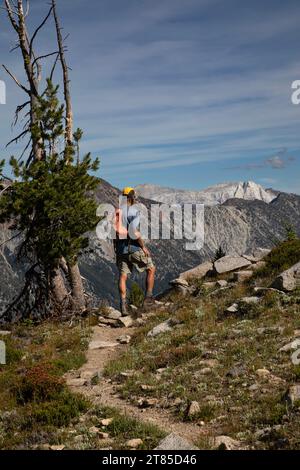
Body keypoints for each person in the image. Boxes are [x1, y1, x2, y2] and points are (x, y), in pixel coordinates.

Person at [114, 187, 156, 316]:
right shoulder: (134, 211)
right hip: (134, 248)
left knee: (123, 276)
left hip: (121, 250)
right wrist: (143, 247)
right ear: (132, 197)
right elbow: (135, 233)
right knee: (151, 269)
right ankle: (148, 299)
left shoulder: (117, 212)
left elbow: (116, 231)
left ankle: (123, 305)